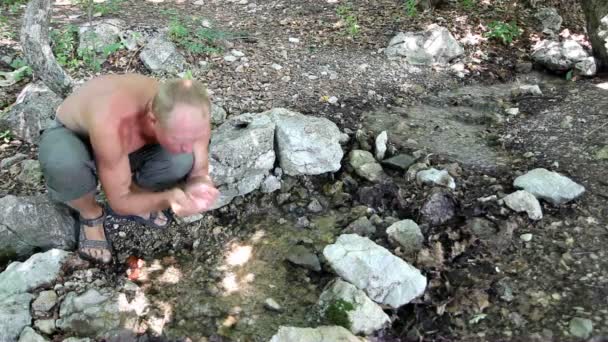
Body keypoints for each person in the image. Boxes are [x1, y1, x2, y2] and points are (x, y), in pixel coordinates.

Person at [38, 73, 219, 264]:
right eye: (180, 139)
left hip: (124, 144)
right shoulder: (113, 122)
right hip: (74, 135)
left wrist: (200, 182)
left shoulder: (190, 114)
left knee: (181, 159)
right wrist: (168, 199)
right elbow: (119, 202)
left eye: (195, 136)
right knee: (63, 163)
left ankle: (139, 193)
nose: (189, 146)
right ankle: (90, 214)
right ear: (152, 119)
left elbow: (199, 169)